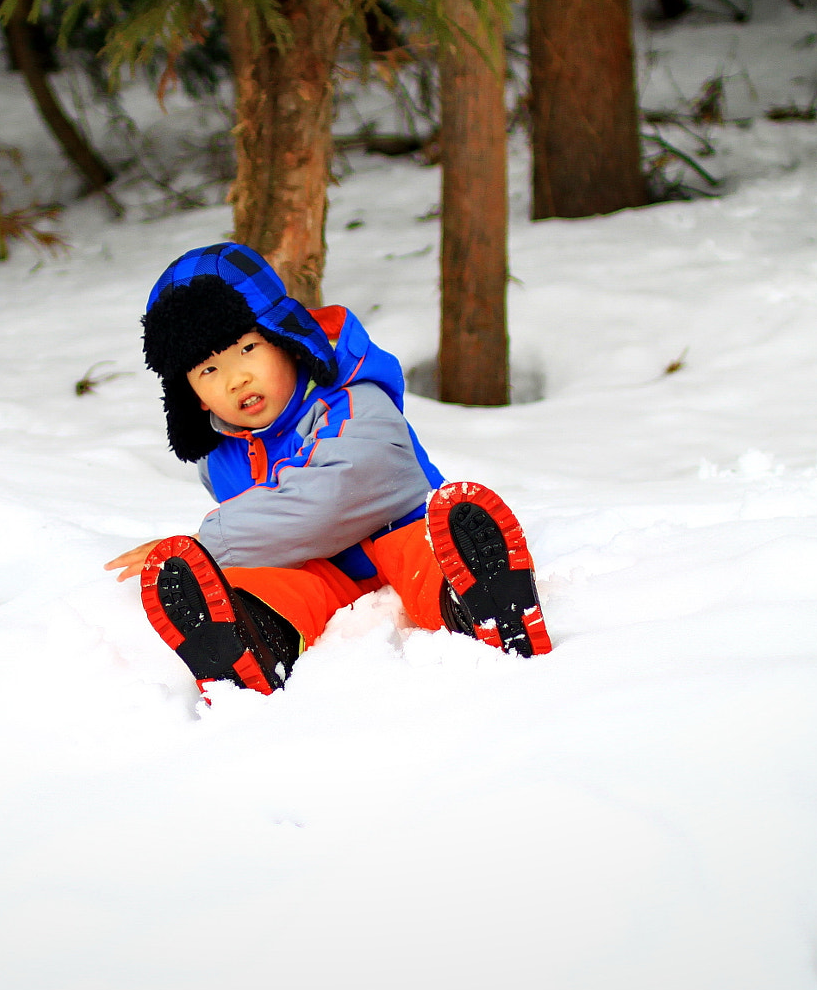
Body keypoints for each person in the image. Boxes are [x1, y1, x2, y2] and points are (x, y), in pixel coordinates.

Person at [105, 243, 551, 696]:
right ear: (195, 396)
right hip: (324, 569)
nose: (235, 378)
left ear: (285, 339)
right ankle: (253, 637)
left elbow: (340, 492)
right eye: (209, 369)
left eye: (247, 348)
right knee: (261, 581)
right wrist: (219, 564)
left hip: (395, 535)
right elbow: (275, 537)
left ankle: (479, 601)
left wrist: (214, 542)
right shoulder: (220, 456)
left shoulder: (354, 398)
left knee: (425, 553)